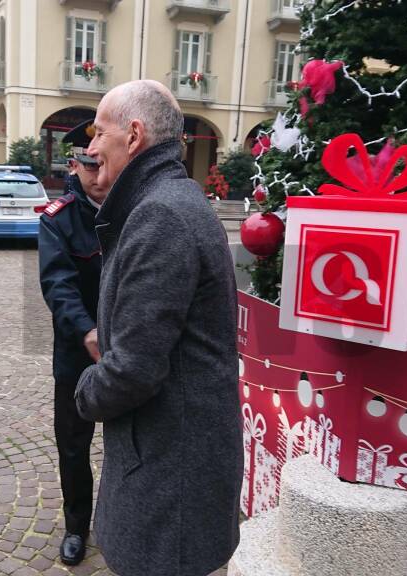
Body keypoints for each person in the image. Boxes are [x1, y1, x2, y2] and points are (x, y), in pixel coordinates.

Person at [75, 80, 242, 576]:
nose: (90, 148)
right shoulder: (170, 202)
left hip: (172, 476)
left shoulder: (161, 215)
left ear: (133, 136)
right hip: (174, 463)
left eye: (98, 133)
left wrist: (84, 392)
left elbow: (134, 369)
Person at [37, 119, 106, 566]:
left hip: (130, 351)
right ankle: (77, 525)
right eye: (90, 165)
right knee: (74, 445)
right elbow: (57, 286)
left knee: (129, 442)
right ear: (74, 164)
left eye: (105, 164)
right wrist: (87, 332)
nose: (99, 176)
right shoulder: (57, 220)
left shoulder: (135, 211)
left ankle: (125, 519)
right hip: (78, 353)